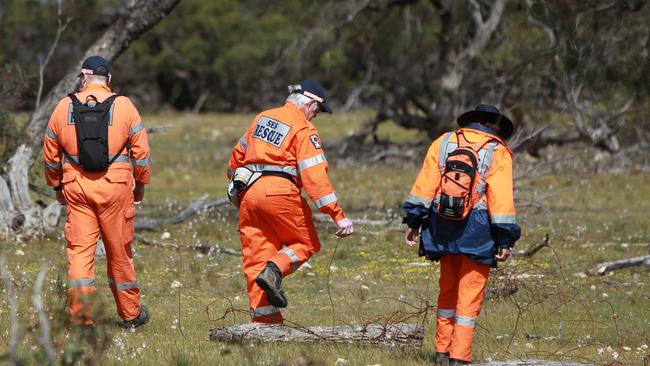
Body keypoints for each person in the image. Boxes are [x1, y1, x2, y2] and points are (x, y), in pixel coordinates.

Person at [402, 104, 521, 365]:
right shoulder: (498, 151)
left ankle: (441, 352)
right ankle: (460, 357)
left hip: (442, 226)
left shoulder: (443, 142)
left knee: (447, 290)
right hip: (478, 232)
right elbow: (500, 201)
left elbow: (424, 187)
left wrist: (413, 220)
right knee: (470, 295)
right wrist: (505, 238)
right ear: (493, 126)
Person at [227, 80, 354, 324]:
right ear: (309, 102)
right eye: (317, 111)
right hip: (280, 191)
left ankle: (265, 324)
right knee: (304, 243)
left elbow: (235, 160)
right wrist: (338, 215)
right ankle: (274, 270)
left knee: (256, 258)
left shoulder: (262, 118)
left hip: (249, 193)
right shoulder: (303, 128)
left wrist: (238, 186)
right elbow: (315, 177)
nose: (315, 116)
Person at [43, 56, 151, 328]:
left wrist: (57, 185)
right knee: (119, 252)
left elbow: (50, 155)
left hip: (76, 188)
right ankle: (130, 315)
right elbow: (141, 156)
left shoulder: (63, 107)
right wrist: (140, 187)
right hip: (116, 188)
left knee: (80, 254)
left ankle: (81, 318)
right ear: (109, 79)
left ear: (83, 77)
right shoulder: (125, 106)